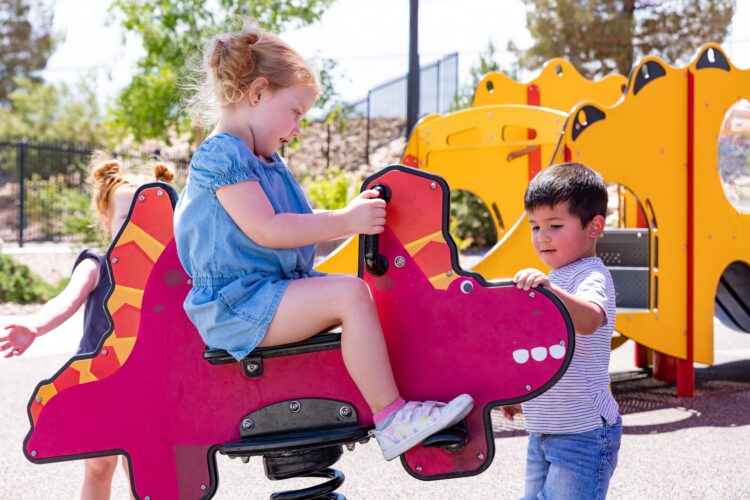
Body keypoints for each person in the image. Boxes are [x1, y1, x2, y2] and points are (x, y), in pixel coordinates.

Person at [174, 20, 473, 461]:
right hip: (236, 305)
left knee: (365, 294)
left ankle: (419, 386)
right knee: (349, 295)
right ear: (257, 94)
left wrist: (348, 216)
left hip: (264, 294)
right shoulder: (222, 154)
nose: (297, 128)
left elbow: (291, 223)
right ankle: (392, 417)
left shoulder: (263, 158)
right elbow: (269, 228)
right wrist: (347, 220)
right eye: (295, 112)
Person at [0, 154, 174, 499]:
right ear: (107, 220)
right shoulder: (97, 263)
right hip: (101, 377)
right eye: (127, 218)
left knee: (146, 466)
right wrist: (35, 326)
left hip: (151, 380)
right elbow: (66, 300)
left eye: (146, 218)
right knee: (99, 464)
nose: (136, 227)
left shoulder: (172, 271)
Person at [500, 162, 621, 500]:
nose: (543, 237)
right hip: (543, 430)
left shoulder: (590, 276)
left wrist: (550, 292)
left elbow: (590, 319)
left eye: (555, 225)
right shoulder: (554, 279)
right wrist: (522, 395)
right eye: (535, 227)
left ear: (594, 226)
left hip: (583, 433)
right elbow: (545, 352)